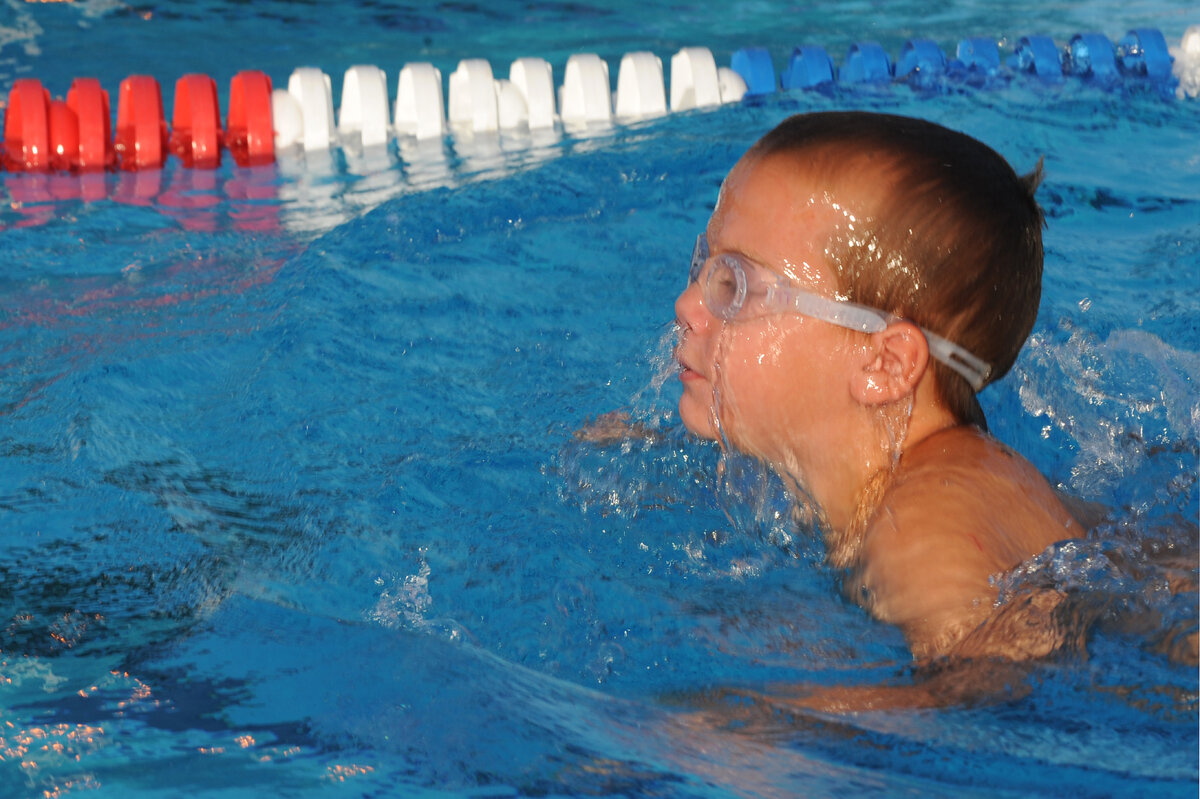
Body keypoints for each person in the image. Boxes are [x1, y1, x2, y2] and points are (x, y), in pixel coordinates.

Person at [673, 111, 1089, 681]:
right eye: (704, 266)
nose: (688, 306)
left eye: (734, 284)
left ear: (885, 363)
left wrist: (737, 733)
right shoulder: (881, 480)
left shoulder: (917, 526)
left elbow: (993, 685)